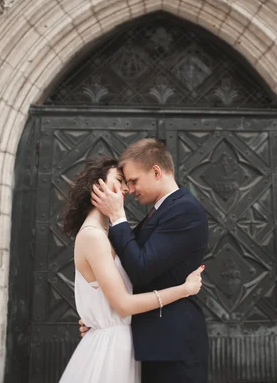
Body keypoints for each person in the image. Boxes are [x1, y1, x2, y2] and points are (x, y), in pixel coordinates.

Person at [59, 156, 205, 383]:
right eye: (120, 180)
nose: (127, 188)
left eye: (129, 181)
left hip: (131, 342)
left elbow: (125, 282)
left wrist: (98, 317)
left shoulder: (109, 235)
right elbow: (124, 303)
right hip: (113, 346)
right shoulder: (93, 235)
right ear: (97, 186)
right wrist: (184, 289)